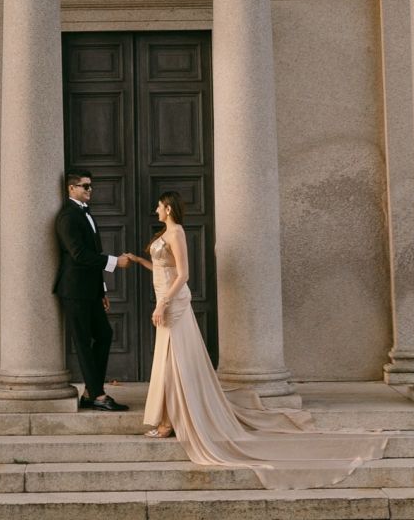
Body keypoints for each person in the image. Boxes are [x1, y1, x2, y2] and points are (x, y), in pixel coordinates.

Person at [127, 192, 387, 488]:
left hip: (172, 304)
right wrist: (139, 261)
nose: (155, 209)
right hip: (164, 301)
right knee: (167, 360)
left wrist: (163, 303)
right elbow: (165, 268)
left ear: (168, 207)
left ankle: (170, 421)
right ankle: (167, 419)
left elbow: (183, 274)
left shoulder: (177, 232)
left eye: (159, 206)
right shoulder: (164, 233)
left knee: (174, 361)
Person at [54, 170, 131, 411]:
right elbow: (79, 255)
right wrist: (115, 262)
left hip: (91, 290)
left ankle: (90, 392)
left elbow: (92, 253)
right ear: (71, 188)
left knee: (104, 334)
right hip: (74, 290)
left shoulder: (85, 213)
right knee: (83, 342)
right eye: (85, 186)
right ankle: (97, 395)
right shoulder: (67, 217)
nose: (90, 190)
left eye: (91, 186)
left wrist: (102, 290)